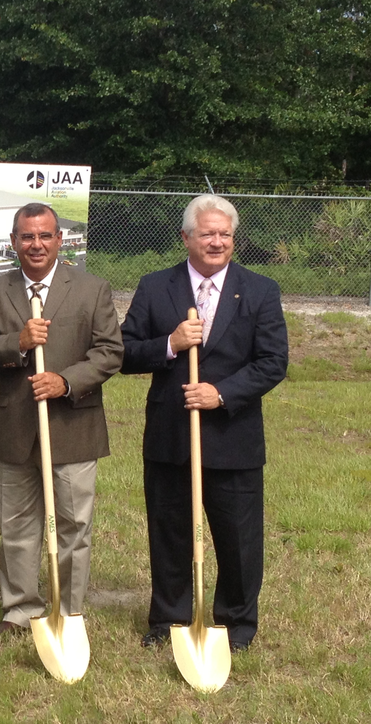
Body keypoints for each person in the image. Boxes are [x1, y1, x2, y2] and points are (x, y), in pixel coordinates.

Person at [120, 194, 288, 653]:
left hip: (233, 439)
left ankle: (235, 627)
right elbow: (125, 352)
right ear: (186, 237)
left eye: (225, 234)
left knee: (238, 539)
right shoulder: (156, 286)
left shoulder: (259, 290)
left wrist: (221, 393)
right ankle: (169, 621)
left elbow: (274, 362)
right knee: (170, 532)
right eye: (207, 233)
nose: (217, 242)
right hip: (171, 437)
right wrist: (170, 344)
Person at [0, 202, 123, 641]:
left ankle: (67, 611)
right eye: (27, 237)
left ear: (60, 240)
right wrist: (15, 342)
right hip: (15, 427)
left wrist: (65, 382)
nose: (36, 245)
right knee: (16, 526)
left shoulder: (91, 289)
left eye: (45, 236)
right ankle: (19, 610)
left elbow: (110, 352)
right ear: (14, 242)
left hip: (73, 426)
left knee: (74, 525)